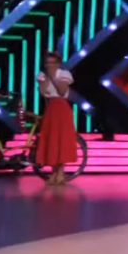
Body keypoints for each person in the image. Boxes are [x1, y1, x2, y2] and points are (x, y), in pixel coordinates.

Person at [36, 52, 77, 185]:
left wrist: (53, 76)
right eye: (47, 63)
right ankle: (54, 172)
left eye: (52, 63)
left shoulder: (64, 74)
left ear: (58, 63)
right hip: (51, 108)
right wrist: (46, 79)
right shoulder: (42, 75)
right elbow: (44, 93)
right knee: (52, 139)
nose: (50, 65)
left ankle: (61, 172)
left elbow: (62, 91)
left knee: (61, 139)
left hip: (62, 107)